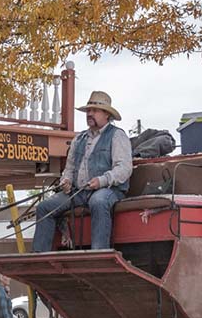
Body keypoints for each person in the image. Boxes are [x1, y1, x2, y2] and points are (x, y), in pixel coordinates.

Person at [31, 90, 132, 252]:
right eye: (88, 111)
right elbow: (69, 168)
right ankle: (38, 257)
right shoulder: (79, 138)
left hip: (109, 190)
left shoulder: (117, 136)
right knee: (44, 207)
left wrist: (102, 180)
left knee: (98, 201)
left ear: (107, 114)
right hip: (79, 192)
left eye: (94, 110)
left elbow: (124, 168)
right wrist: (66, 181)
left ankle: (99, 253)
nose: (89, 114)